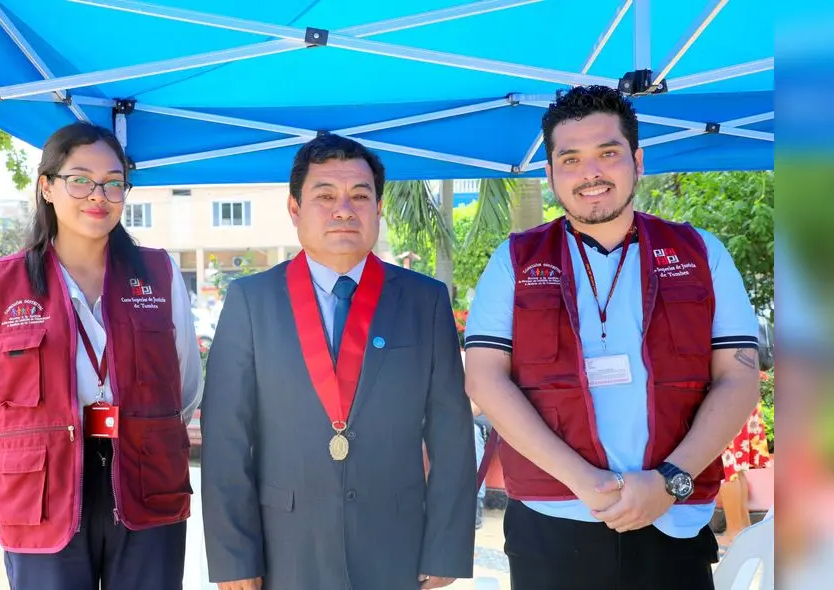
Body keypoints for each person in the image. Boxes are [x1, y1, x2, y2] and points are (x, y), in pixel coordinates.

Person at [464, 85, 761, 589]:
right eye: (571, 158)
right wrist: (584, 481)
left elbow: (738, 379)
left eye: (608, 153)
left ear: (637, 160)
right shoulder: (513, 260)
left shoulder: (699, 253)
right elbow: (486, 379)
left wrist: (669, 481)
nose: (591, 173)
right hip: (551, 519)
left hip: (674, 519)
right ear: (550, 172)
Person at [200, 133, 476, 590]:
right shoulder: (251, 300)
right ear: (295, 210)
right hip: (283, 546)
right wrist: (234, 557)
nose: (343, 209)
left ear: (379, 208)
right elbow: (227, 438)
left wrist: (445, 545)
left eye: (359, 196)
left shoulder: (424, 301)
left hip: (395, 546)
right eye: (324, 195)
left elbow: (450, 431)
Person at [0, 122, 203, 590]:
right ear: (47, 186)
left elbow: (184, 387)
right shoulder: (4, 282)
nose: (99, 195)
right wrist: (28, 465)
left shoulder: (159, 273)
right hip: (43, 490)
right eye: (81, 179)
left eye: (114, 182)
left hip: (145, 477)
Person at [717, 396, 772, 549]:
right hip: (743, 395)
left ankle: (733, 533)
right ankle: (743, 529)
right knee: (735, 469)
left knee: (725, 467)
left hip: (726, 401)